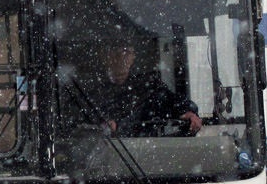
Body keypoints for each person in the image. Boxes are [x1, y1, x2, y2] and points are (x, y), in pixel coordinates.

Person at [63, 36, 201, 137]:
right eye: (115, 53)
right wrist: (100, 126)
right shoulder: (89, 92)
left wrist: (189, 112)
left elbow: (176, 102)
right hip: (106, 163)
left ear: (133, 58)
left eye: (126, 53)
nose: (121, 58)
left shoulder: (148, 87)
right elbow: (72, 123)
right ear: (105, 57)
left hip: (147, 160)